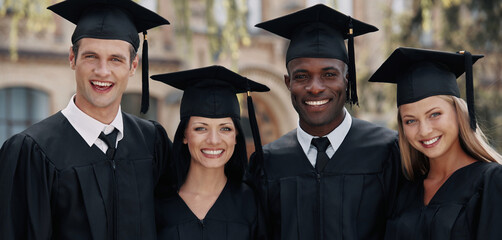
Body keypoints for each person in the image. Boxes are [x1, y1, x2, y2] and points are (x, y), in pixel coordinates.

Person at [0, 0, 171, 239]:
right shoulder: (32, 152)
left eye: (116, 59)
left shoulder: (152, 142)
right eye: (91, 57)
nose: (103, 71)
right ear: (72, 58)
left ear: (133, 66)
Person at [247, 4, 402, 240]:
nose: (315, 87)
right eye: (302, 76)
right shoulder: (267, 162)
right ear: (288, 82)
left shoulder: (388, 151)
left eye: (329, 75)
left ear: (347, 81)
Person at [368, 47, 502, 239]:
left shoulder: (491, 182)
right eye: (410, 120)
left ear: (458, 113)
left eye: (435, 114)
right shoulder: (406, 191)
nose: (424, 131)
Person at [151, 65, 269, 240]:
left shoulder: (252, 203)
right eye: (200, 128)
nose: (214, 140)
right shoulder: (158, 203)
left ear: (236, 136)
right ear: (184, 135)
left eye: (225, 129)